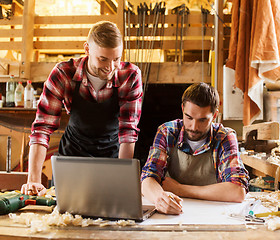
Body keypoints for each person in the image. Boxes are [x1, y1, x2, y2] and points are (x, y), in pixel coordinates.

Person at [21, 21, 143, 196]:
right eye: (103, 59)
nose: (110, 68)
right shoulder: (63, 73)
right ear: (87, 49)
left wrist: (121, 179)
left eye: (116, 59)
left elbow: (128, 132)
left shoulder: (130, 76)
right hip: (72, 156)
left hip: (112, 156)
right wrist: (33, 179)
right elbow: (42, 128)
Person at [141, 83, 249, 215]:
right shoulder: (167, 132)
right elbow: (147, 179)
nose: (194, 127)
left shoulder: (224, 137)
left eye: (202, 120)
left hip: (211, 214)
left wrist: (180, 189)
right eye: (189, 117)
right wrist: (159, 198)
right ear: (182, 109)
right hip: (171, 214)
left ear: (214, 115)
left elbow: (237, 192)